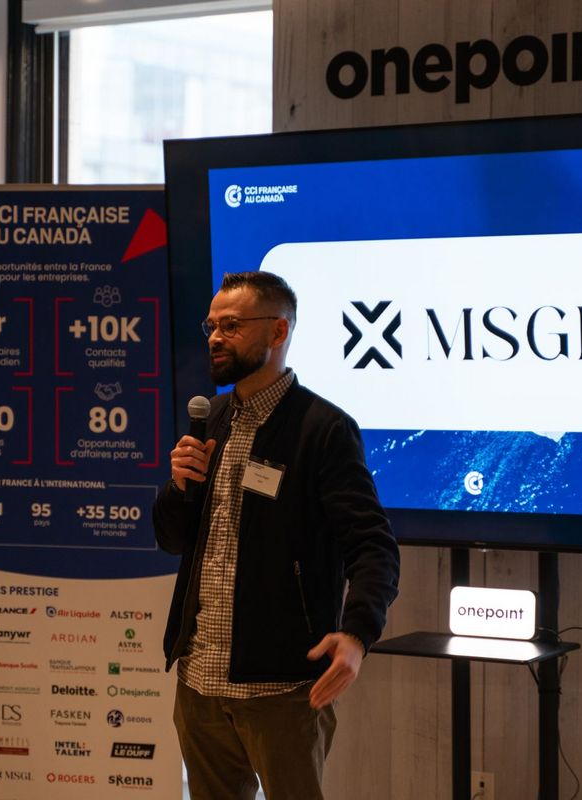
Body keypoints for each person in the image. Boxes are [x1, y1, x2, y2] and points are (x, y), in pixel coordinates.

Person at [153, 271, 400, 800]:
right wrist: (178, 487)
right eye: (212, 326)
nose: (216, 338)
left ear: (278, 331)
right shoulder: (212, 418)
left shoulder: (323, 428)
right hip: (199, 680)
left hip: (282, 688)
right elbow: (173, 540)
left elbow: (372, 546)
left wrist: (358, 634)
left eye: (232, 326)